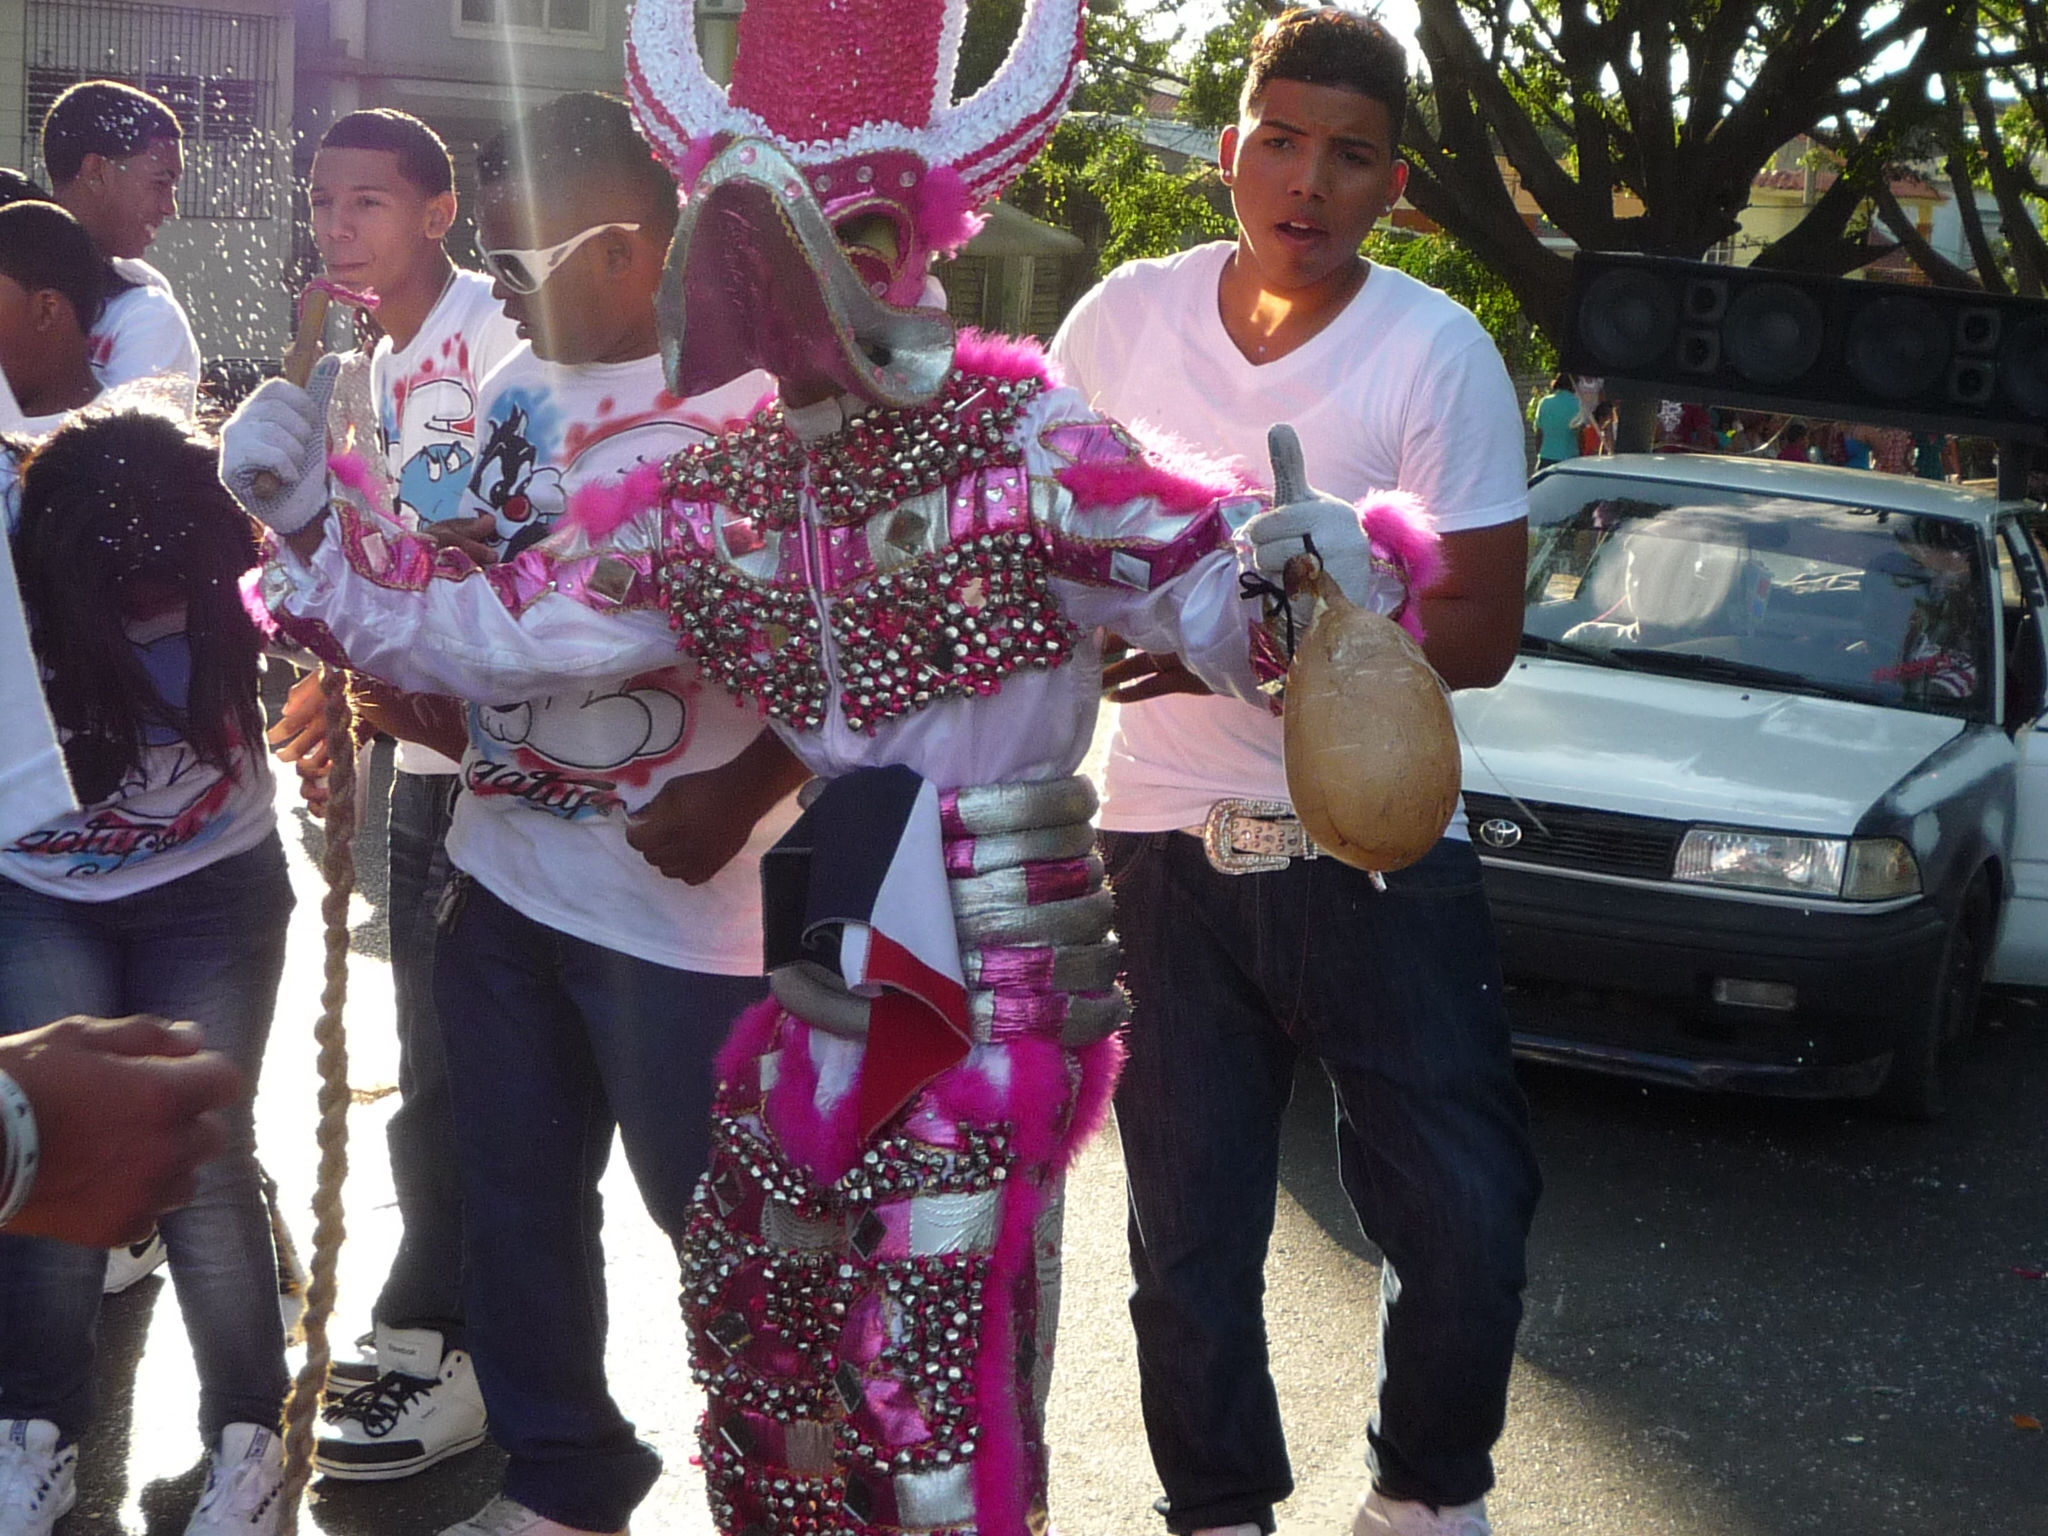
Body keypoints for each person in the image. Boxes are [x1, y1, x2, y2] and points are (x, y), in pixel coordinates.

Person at [220, 2, 1432, 1531]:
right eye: (758, 241)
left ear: (914, 239)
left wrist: (1305, 583)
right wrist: (315, 531)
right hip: (829, 913)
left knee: (930, 1356)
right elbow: (501, 633)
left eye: (846, 231)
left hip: (989, 926)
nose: (802, 280)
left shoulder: (1028, 444)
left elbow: (1206, 580)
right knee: (767, 1319)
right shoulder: (716, 493)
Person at [236, 92, 804, 1536]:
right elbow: (426, 578)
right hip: (499, 871)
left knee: (726, 1230)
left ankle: (810, 1484)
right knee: (512, 1203)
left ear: (640, 243)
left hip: (678, 917)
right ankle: (564, 1476)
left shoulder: (735, 421)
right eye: (502, 248)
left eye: (541, 255)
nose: (508, 287)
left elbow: (508, 632)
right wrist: (340, 568)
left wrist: (747, 786)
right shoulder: (511, 396)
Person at [1051, 11, 1542, 1536]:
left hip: (1376, 843)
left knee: (1463, 1213)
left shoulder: (1435, 348)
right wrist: (1136, 622)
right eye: (1280, 139)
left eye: (1348, 155)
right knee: (1185, 1235)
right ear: (1228, 151)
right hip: (1156, 834)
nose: (1306, 180)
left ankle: (1422, 1495)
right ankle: (1218, 1509)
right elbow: (1037, 544)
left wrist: (1347, 609)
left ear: (1395, 186)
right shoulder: (1121, 320)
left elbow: (1483, 634)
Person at [0, 407, 296, 1536]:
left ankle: (249, 1442)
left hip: (213, 884)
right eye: (124, 602)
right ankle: (33, 1433)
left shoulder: (233, 556)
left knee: (206, 1158)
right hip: (35, 891)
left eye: (175, 594)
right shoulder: (19, 572)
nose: (153, 614)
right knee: (39, 1149)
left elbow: (356, 611)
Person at [284, 106, 521, 1485]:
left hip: (500, 762)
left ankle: (460, 1346)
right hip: (424, 752)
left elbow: (461, 540)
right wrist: (340, 679)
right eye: (321, 200)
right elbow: (387, 557)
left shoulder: (483, 344)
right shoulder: (378, 351)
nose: (334, 224)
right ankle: (440, 1330)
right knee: (437, 1062)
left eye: (364, 201)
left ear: (438, 213)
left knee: (460, 1071)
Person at [40, 81, 201, 411]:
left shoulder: (144, 305)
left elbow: (127, 455)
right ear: (96, 171)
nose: (170, 207)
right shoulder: (146, 310)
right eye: (161, 182)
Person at [1530, 370, 1582, 469]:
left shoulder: (1544, 402)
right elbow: (1580, 436)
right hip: (1569, 458)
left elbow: (1539, 434)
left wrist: (1540, 453)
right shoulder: (1577, 404)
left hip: (1546, 457)